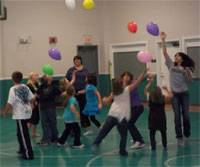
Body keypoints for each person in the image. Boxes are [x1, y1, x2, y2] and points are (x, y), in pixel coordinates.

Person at [91, 68, 148, 156]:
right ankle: (122, 151)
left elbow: (106, 101)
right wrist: (143, 72)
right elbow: (137, 82)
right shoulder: (126, 89)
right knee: (123, 135)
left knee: (104, 131)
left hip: (112, 114)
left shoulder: (114, 91)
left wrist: (103, 100)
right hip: (121, 116)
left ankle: (96, 143)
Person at [160, 32, 195, 145]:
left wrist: (188, 73)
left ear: (182, 58)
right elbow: (164, 52)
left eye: (177, 55)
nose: (175, 57)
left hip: (184, 93)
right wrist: (163, 40)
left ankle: (187, 134)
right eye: (175, 55)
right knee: (176, 116)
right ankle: (179, 137)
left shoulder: (185, 68)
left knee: (186, 115)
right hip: (174, 94)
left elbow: (191, 81)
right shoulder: (171, 64)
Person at [3, 71, 34, 160]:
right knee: (20, 133)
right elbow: (31, 99)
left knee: (24, 134)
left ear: (12, 80)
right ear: (21, 78)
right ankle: (22, 149)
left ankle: (28, 153)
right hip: (27, 112)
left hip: (20, 114)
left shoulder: (12, 89)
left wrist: (5, 112)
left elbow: (9, 103)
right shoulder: (25, 87)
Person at [121, 72, 155, 149]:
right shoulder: (122, 86)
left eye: (128, 76)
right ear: (122, 77)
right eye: (125, 76)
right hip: (131, 108)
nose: (127, 77)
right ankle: (136, 137)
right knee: (129, 123)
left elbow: (141, 79)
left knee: (129, 123)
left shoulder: (133, 83)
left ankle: (140, 141)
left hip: (138, 107)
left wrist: (148, 75)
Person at [144, 78, 173, 150]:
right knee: (163, 132)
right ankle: (164, 144)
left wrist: (150, 83)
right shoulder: (163, 98)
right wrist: (166, 89)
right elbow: (171, 95)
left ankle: (153, 146)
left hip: (152, 118)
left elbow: (145, 89)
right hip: (161, 117)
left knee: (152, 132)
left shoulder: (150, 97)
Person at [36, 74, 63, 146]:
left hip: (50, 108)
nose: (51, 78)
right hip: (44, 108)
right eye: (49, 78)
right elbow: (36, 94)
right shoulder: (41, 86)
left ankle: (52, 138)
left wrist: (69, 91)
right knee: (47, 123)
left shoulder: (53, 87)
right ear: (47, 80)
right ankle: (49, 139)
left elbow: (61, 94)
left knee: (50, 123)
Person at [66, 55, 89, 128]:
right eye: (75, 60)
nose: (77, 61)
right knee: (72, 106)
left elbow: (88, 79)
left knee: (83, 106)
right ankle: (72, 122)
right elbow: (66, 79)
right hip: (73, 91)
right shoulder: (70, 70)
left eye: (78, 59)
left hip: (83, 90)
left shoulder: (85, 69)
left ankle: (83, 121)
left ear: (81, 61)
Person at [27, 72, 40, 137]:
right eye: (35, 76)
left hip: (36, 104)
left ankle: (34, 133)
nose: (37, 77)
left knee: (36, 119)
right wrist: (31, 103)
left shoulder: (38, 84)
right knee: (30, 120)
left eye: (37, 75)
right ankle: (25, 133)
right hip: (31, 104)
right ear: (31, 77)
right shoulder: (28, 85)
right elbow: (28, 96)